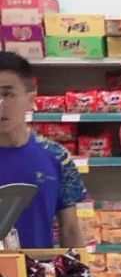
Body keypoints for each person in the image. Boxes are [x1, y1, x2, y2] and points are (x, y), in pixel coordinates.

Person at [0, 52, 86, 249]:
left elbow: (70, 229)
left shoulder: (56, 157)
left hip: (39, 267)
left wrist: (80, 267)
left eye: (7, 94)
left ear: (30, 98)